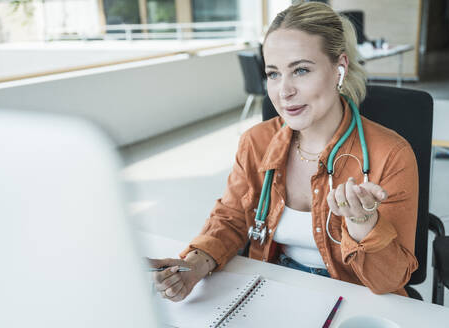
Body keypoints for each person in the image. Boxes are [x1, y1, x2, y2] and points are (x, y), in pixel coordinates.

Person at [149, 2, 419, 302]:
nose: (283, 91)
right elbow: (231, 218)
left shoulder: (391, 154)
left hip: (356, 296)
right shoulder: (256, 142)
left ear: (339, 69)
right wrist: (194, 265)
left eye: (300, 70)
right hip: (276, 287)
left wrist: (364, 225)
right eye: (273, 74)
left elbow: (391, 280)